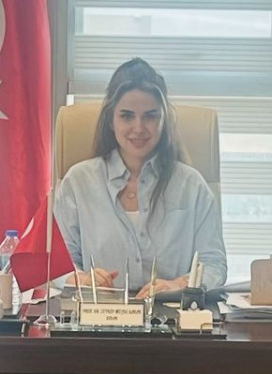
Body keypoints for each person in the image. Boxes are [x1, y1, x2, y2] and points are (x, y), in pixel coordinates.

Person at [52, 57, 227, 299]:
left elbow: (214, 265)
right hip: (99, 314)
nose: (139, 128)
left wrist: (179, 284)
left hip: (171, 315)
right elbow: (58, 265)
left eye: (150, 116)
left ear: (164, 120)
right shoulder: (77, 182)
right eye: (126, 116)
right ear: (111, 120)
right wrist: (81, 279)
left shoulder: (192, 185)